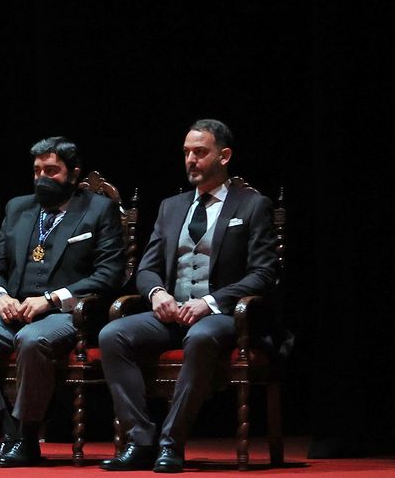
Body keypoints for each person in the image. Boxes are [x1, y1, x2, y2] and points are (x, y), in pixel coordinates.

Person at [98, 119, 279, 473]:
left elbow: (264, 273)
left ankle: (171, 443)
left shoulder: (252, 205)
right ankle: (142, 439)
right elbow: (146, 267)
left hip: (223, 317)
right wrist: (156, 293)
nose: (191, 160)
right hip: (171, 313)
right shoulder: (171, 206)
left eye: (200, 152)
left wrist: (209, 303)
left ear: (224, 156)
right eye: (186, 153)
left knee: (199, 336)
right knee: (112, 335)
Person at [0, 136, 126, 467]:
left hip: (67, 314)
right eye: (38, 170)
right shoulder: (19, 207)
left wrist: (50, 300)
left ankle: (27, 436)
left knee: (32, 340)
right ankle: (9, 432)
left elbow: (109, 275)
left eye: (52, 170)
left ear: (74, 173)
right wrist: (0, 297)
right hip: (13, 310)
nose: (43, 177)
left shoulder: (99, 210)